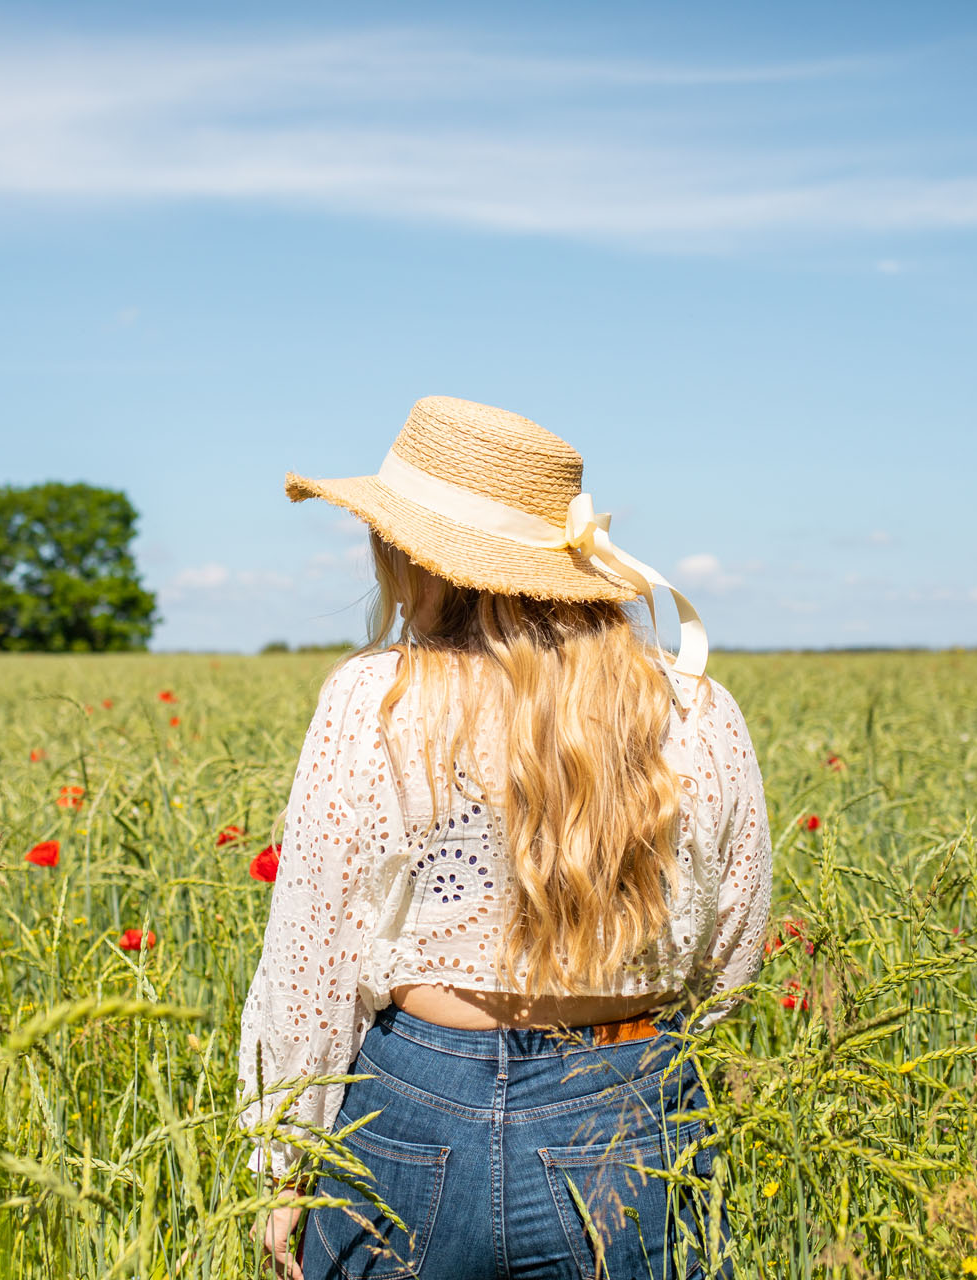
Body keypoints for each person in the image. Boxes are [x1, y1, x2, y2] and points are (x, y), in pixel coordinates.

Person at [238, 396, 773, 1279]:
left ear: (415, 556)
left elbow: (311, 954)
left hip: (414, 1102)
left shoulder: (375, 697)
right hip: (632, 1103)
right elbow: (731, 943)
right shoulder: (695, 706)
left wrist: (280, 1159)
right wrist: (656, 1062)